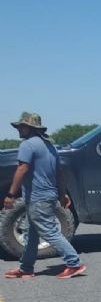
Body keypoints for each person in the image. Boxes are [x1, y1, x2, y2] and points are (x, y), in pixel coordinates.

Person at [4, 112, 87, 279]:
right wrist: (62, 195)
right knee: (31, 234)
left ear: (31, 128)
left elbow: (22, 169)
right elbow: (59, 173)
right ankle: (26, 268)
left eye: (22, 126)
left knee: (49, 231)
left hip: (37, 197)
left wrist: (11, 194)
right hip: (47, 195)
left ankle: (74, 263)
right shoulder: (49, 146)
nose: (19, 129)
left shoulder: (27, 145)